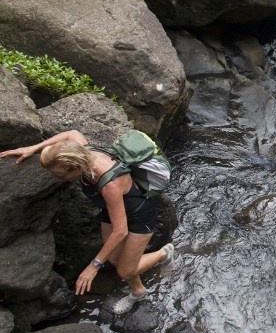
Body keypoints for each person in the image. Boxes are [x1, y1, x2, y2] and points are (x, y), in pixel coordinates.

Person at [0, 130, 175, 315]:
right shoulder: (81, 150)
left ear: (76, 167)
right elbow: (71, 133)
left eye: (60, 175)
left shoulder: (110, 185)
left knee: (124, 271)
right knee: (114, 258)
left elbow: (120, 231)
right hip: (113, 210)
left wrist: (93, 267)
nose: (57, 179)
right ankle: (139, 292)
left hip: (139, 216)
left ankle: (164, 253)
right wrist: (33, 148)